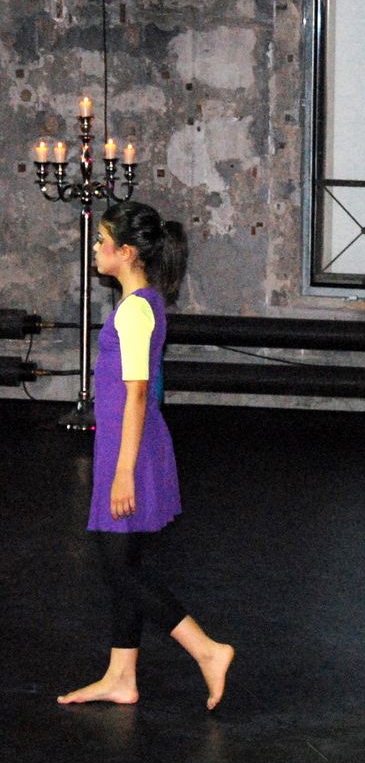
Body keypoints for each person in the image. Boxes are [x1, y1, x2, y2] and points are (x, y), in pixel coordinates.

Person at [58, 201, 234, 709]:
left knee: (120, 568)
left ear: (127, 252)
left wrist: (123, 473)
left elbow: (137, 393)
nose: (95, 248)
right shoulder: (142, 302)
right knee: (123, 562)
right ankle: (121, 676)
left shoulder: (135, 309)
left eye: (102, 240)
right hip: (127, 443)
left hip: (128, 449)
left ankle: (207, 650)